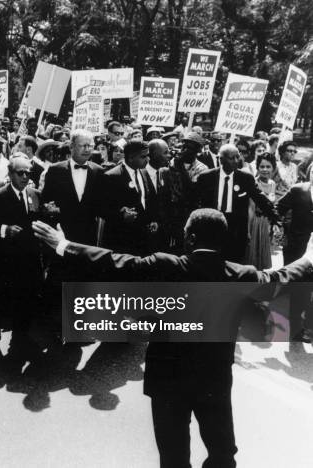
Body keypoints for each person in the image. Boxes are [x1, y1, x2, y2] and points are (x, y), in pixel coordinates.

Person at [32, 209, 313, 468]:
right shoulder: (241, 275)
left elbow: (111, 261)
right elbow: (282, 276)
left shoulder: (164, 266)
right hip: (213, 380)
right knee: (222, 452)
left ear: (189, 238)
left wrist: (63, 245)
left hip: (167, 380)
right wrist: (309, 258)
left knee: (173, 457)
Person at [0, 157, 43, 341]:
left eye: (28, 173)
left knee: (28, 292)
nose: (25, 176)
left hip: (30, 254)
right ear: (10, 174)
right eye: (20, 173)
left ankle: (21, 330)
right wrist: (5, 230)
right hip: (6, 255)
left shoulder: (36, 194)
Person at [196, 144, 278, 262]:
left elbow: (260, 198)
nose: (236, 161)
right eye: (232, 158)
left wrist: (275, 217)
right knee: (211, 263)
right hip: (212, 225)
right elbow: (196, 201)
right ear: (221, 159)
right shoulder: (206, 177)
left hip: (236, 229)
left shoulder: (245, 178)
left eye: (237, 157)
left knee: (234, 264)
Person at [103, 140, 158, 255]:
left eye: (147, 155)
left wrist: (153, 220)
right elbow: (103, 208)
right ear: (131, 157)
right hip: (122, 239)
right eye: (143, 156)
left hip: (143, 237)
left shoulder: (143, 172)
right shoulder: (112, 176)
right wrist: (121, 215)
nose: (147, 159)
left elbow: (151, 199)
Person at [277, 176, 313, 342]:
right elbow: (279, 208)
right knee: (299, 290)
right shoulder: (298, 190)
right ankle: (296, 330)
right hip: (299, 249)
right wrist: (283, 230)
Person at [243, 152, 276, 269]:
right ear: (257, 168)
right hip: (255, 222)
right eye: (262, 166)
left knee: (261, 258)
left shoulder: (273, 184)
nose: (265, 169)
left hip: (265, 222)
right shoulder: (254, 184)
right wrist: (248, 230)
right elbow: (250, 208)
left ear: (273, 168)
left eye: (268, 166)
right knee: (252, 257)